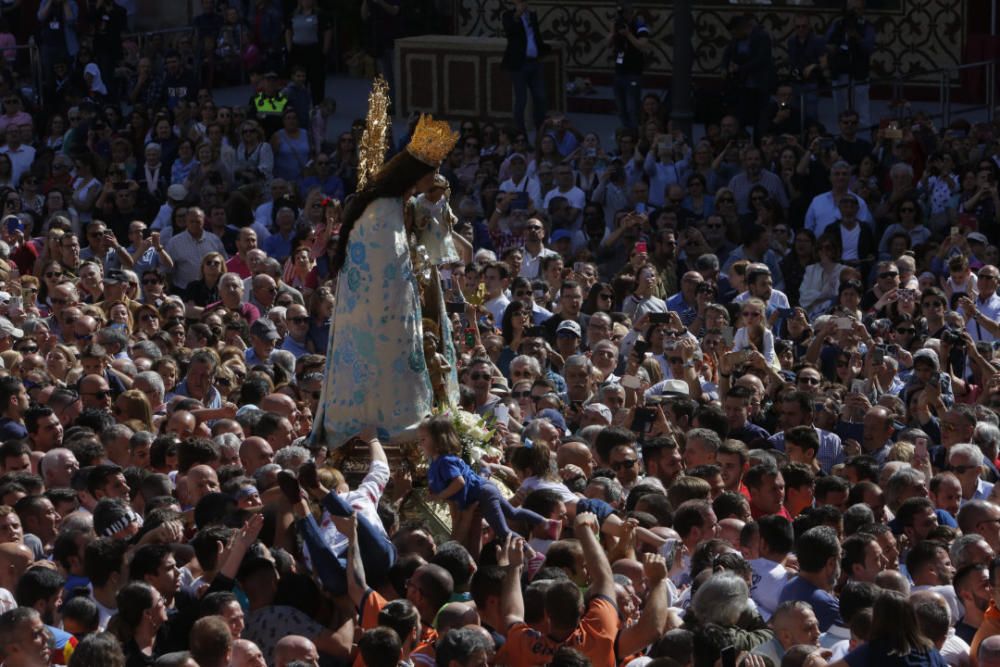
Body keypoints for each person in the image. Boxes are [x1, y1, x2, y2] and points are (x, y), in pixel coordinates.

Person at [310, 113, 460, 448]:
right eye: (431, 173)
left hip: (407, 307)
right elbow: (385, 270)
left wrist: (433, 207)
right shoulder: (380, 211)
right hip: (381, 317)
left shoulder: (403, 204)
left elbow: (434, 250)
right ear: (414, 174)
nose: (435, 179)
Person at [421, 414, 558, 541]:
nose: (420, 444)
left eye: (423, 439)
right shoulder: (442, 460)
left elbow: (459, 482)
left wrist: (440, 495)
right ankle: (546, 522)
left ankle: (531, 554)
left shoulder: (445, 461)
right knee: (513, 513)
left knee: (503, 531)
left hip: (484, 493)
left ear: (438, 441)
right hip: (486, 487)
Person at [502, 0, 549, 133]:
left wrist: (542, 51)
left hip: (534, 62)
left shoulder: (532, 15)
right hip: (519, 64)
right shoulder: (508, 16)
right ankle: (520, 132)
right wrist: (518, 15)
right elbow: (510, 32)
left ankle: (541, 129)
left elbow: (536, 36)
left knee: (540, 97)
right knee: (521, 100)